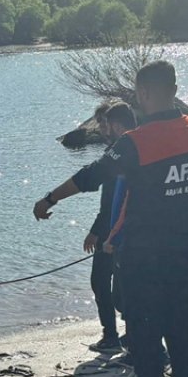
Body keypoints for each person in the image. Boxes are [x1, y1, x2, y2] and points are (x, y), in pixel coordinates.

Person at [34, 61, 188, 377]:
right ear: (174, 88)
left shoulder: (138, 140)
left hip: (144, 252)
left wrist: (50, 198)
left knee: (144, 334)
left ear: (143, 93)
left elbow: (92, 176)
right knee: (182, 329)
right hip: (182, 248)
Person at [82, 101, 137, 354]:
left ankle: (119, 335)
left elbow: (111, 202)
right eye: (101, 123)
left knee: (112, 286)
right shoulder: (114, 152)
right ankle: (117, 334)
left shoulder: (120, 153)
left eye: (105, 123)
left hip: (116, 230)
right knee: (106, 284)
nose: (103, 128)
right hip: (112, 227)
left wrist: (96, 231)